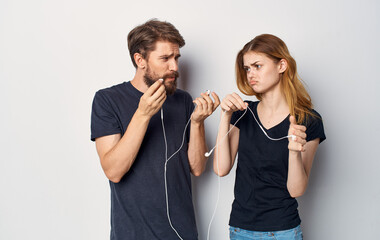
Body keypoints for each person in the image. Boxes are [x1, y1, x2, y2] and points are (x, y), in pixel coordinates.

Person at [91, 19, 220, 240]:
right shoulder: (107, 100)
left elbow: (197, 169)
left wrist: (197, 123)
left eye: (176, 57)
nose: (175, 67)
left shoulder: (183, 100)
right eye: (165, 58)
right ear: (140, 60)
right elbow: (113, 171)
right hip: (132, 234)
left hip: (182, 233)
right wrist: (142, 113)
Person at [213, 34, 326, 240]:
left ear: (281, 65)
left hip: (283, 231)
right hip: (240, 230)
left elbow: (296, 190)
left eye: (257, 66)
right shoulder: (243, 113)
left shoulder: (307, 120)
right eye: (247, 68)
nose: (250, 74)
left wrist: (293, 152)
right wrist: (225, 116)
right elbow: (221, 169)